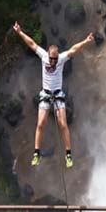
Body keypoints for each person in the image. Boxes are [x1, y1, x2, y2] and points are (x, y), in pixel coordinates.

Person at [12, 21, 95, 168]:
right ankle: (36, 153)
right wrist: (19, 32)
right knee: (41, 123)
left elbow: (73, 50)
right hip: (45, 94)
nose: (53, 61)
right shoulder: (44, 56)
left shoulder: (61, 59)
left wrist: (86, 41)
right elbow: (31, 44)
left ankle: (68, 154)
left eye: (55, 59)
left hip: (57, 95)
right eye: (51, 58)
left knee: (63, 124)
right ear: (48, 55)